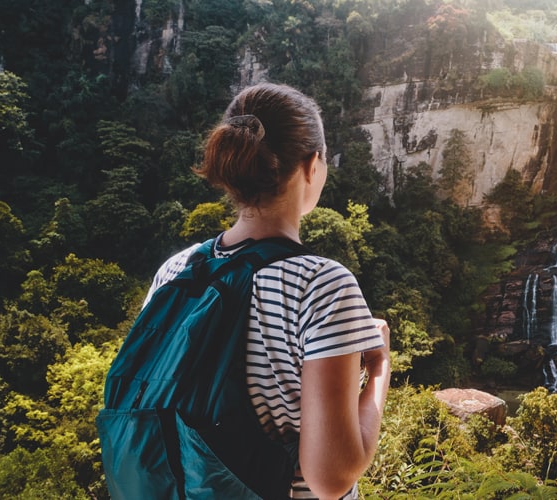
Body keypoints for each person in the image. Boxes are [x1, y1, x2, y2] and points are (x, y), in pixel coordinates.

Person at [144, 83, 391, 499]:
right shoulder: (322, 285)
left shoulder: (176, 271)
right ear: (313, 165)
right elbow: (331, 479)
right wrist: (380, 368)